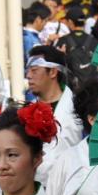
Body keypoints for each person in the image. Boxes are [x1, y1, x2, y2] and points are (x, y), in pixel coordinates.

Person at [25, 45, 83, 183]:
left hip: (70, 184)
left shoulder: (79, 108)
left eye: (34, 70)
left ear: (52, 72)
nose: (28, 76)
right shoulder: (27, 111)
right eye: (28, 71)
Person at [56, 5, 98, 91]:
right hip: (92, 89)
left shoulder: (63, 41)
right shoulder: (94, 41)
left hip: (72, 89)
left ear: (70, 22)